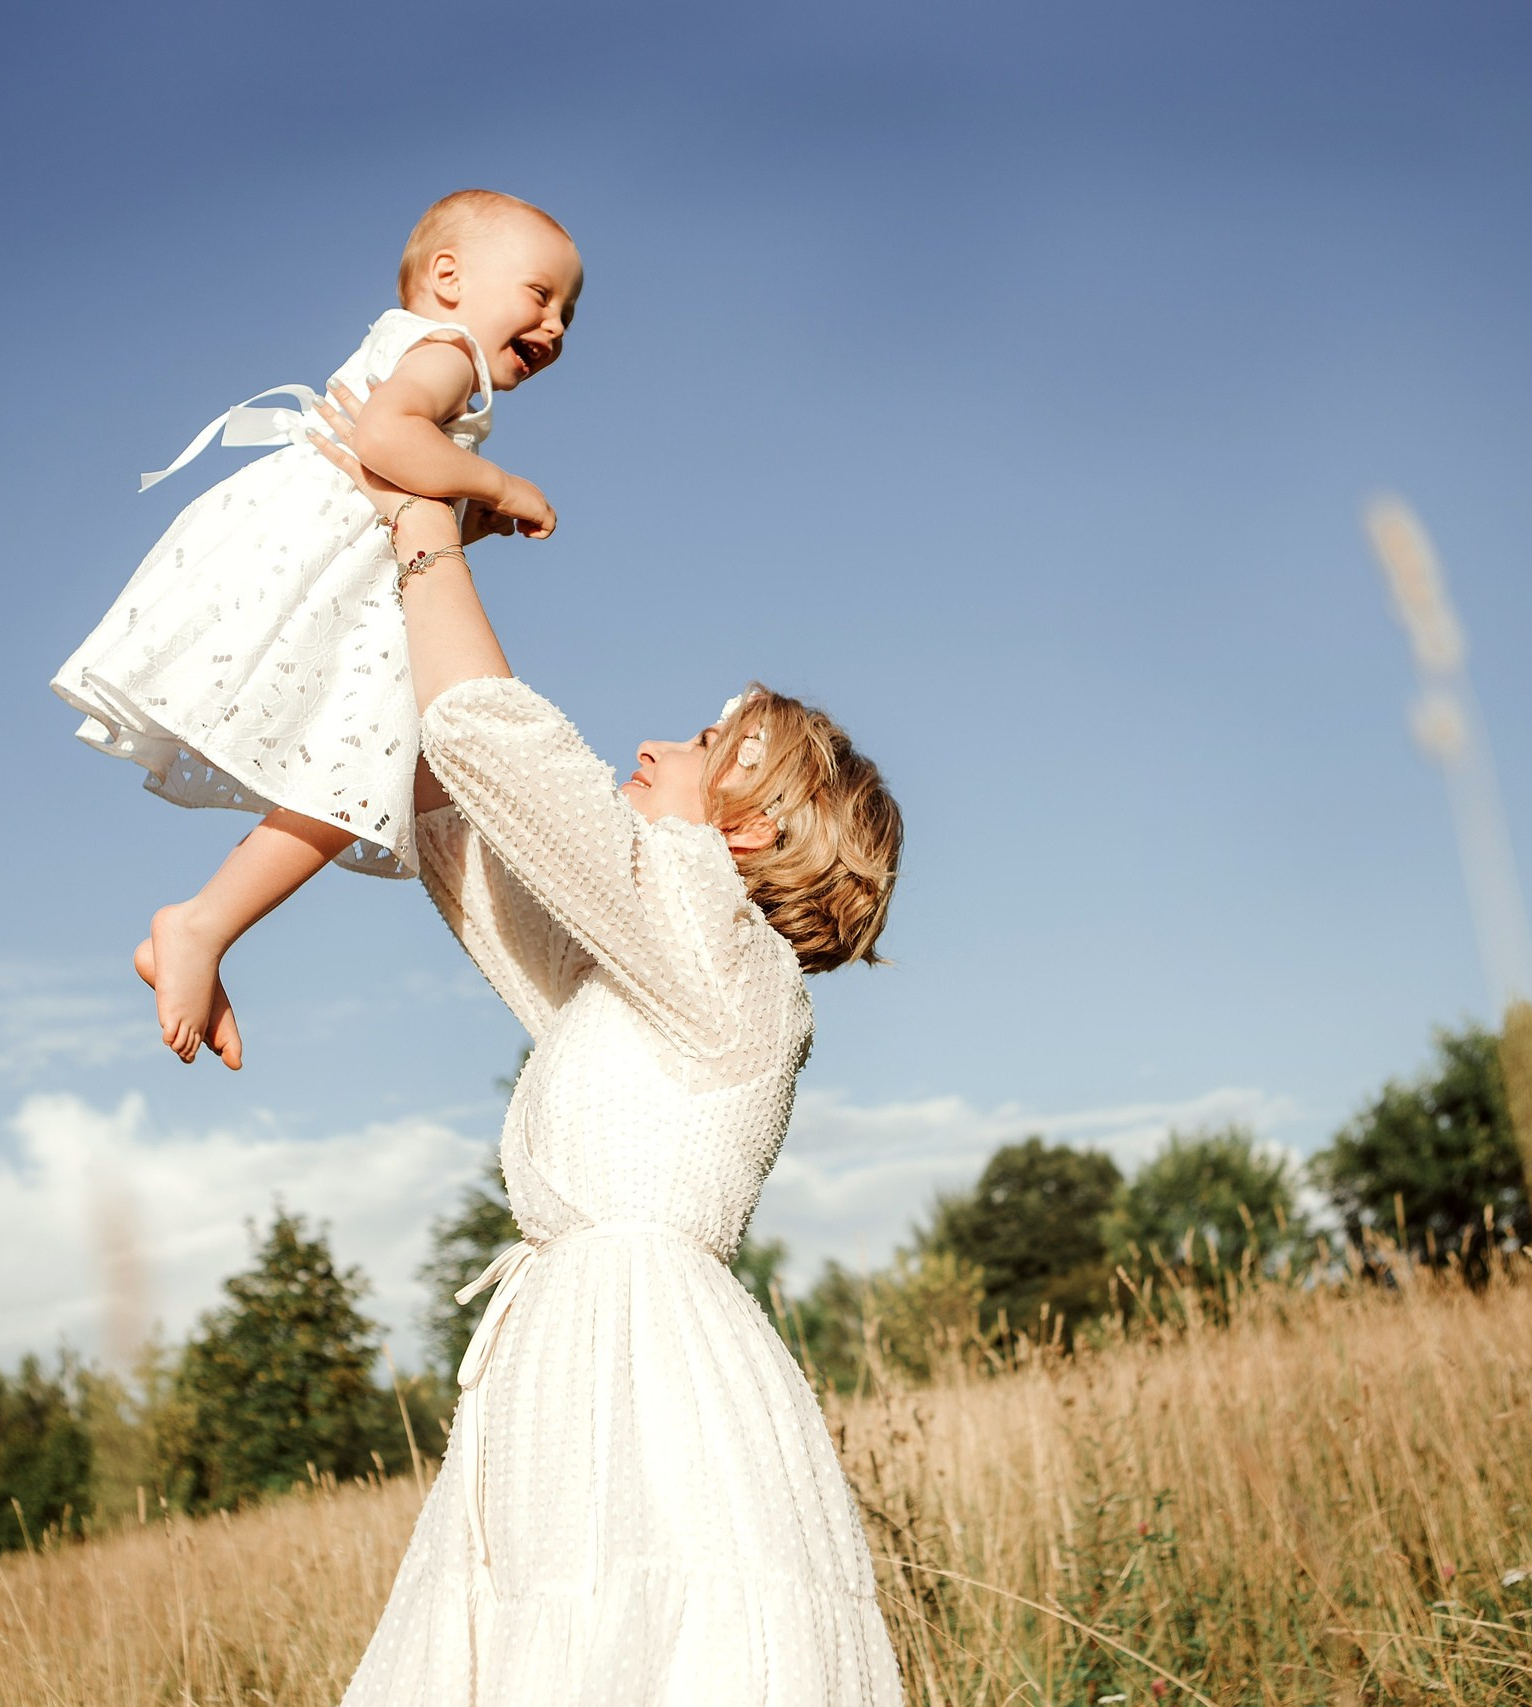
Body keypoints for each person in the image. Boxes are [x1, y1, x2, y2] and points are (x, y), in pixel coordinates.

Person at [311, 384, 908, 1705]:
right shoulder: (647, 972)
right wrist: (396, 556)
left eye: (707, 746)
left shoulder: (735, 977)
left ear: (749, 830)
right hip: (569, 1361)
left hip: (643, 1377)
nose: (659, 743)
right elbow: (467, 827)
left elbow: (517, 766)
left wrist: (433, 534)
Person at [51, 189, 583, 1066]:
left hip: (320, 550)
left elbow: (407, 467)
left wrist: (462, 508)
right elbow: (387, 436)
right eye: (539, 294)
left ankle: (202, 925)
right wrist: (499, 487)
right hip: (337, 566)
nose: (556, 325)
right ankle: (200, 923)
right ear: (448, 280)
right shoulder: (448, 351)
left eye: (568, 311)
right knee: (360, 764)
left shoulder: (429, 349)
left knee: (351, 766)